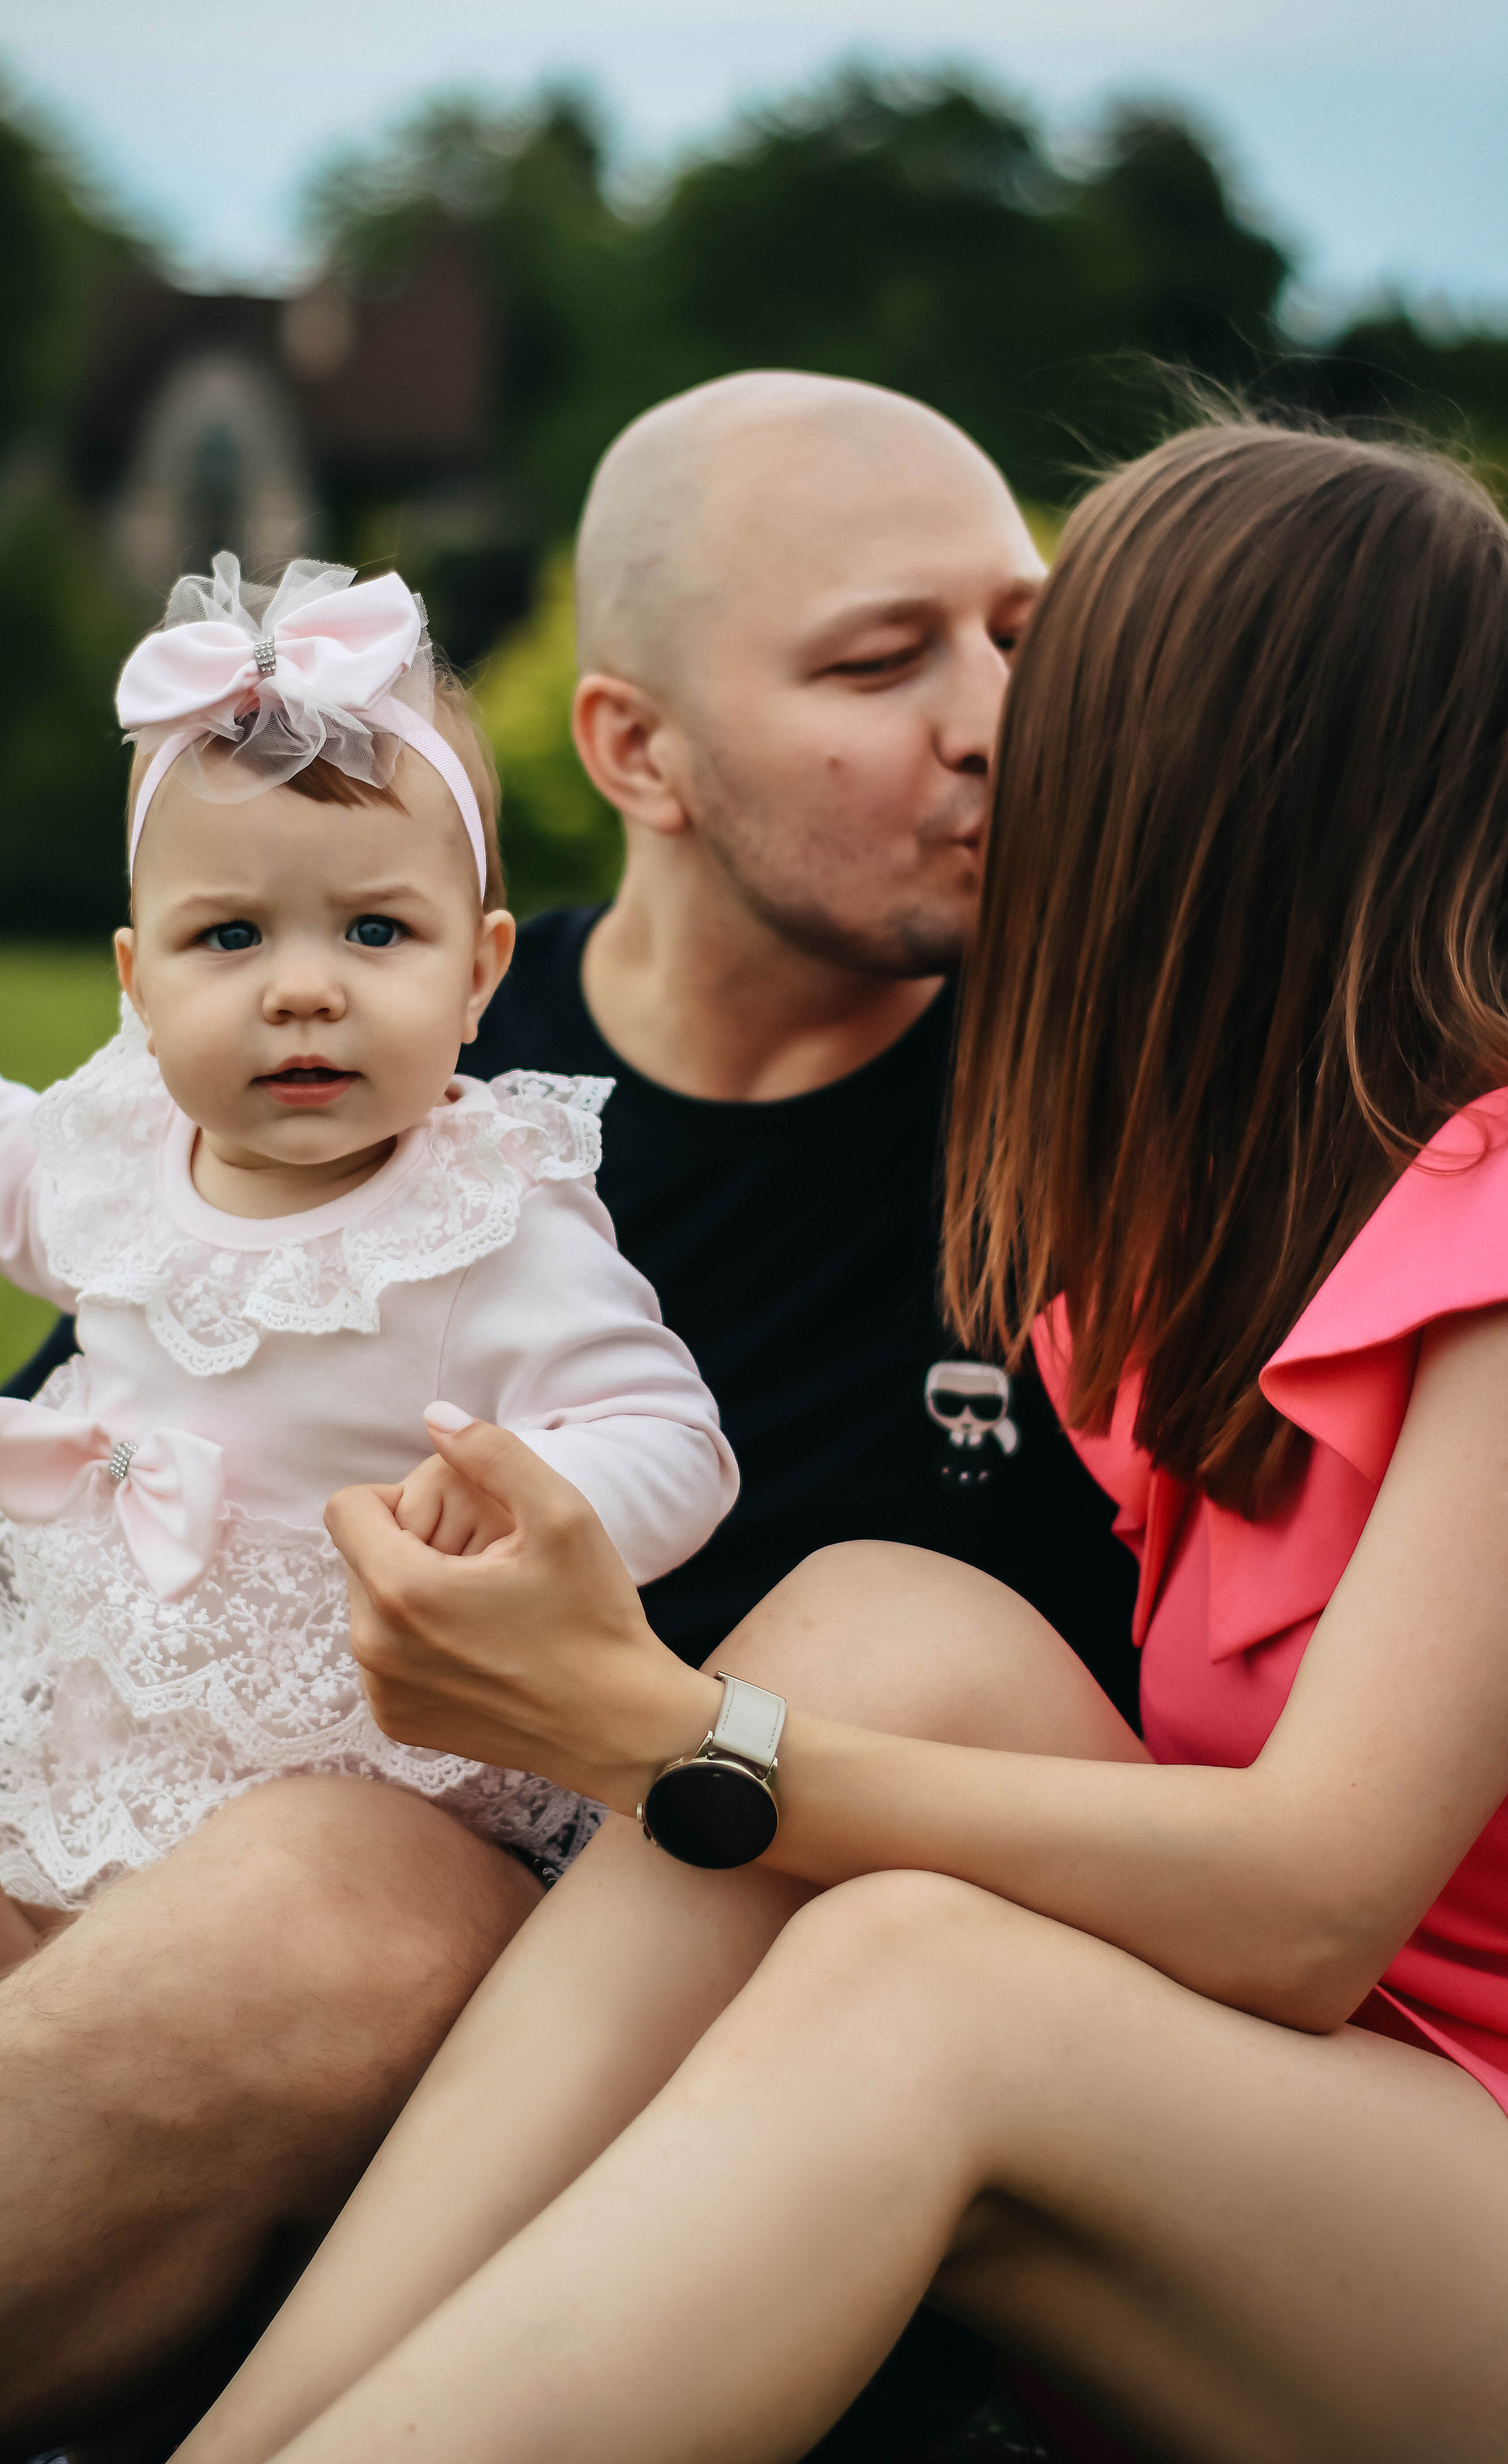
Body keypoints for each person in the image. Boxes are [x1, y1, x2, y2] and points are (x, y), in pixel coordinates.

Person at [0, 372, 1112, 2459]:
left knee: (326, 1885)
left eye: (1023, 631)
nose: (998, 714)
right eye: (880, 655)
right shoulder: (290, 1078)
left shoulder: (1079, 1139)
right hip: (66, 1863)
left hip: (534, 2065)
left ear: (452, 954)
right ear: (632, 745)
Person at [172, 420, 1508, 2464]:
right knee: (886, 1620)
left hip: (1450, 2150)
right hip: (1341, 2105)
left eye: (1049, 687)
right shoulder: (1177, 1238)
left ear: (1201, 801)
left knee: (921, 1976)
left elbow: (1319, 1904)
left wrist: (660, 1736)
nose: (989, 745)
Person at [0, 553, 732, 1928]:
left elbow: (673, 1438)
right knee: (34, 1952)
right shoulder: (119, 1158)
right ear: (136, 980)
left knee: (231, 1955)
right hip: (103, 1729)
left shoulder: (481, 1224)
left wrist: (533, 1488)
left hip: (355, 1802)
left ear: (479, 974)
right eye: (230, 937)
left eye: (377, 930)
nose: (306, 989)